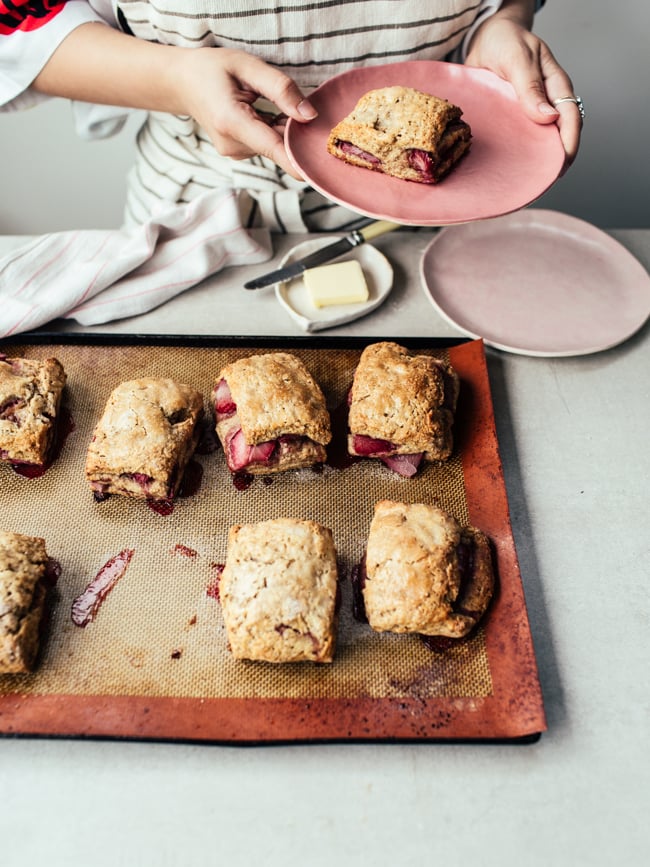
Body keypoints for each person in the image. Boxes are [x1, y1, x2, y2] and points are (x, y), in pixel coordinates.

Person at [0, 1, 582, 232]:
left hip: (442, 220)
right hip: (199, 214)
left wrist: (504, 21)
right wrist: (177, 81)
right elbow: (19, 28)